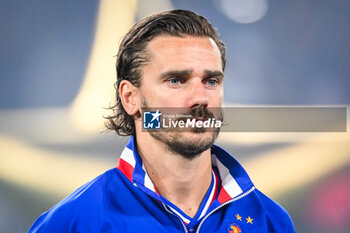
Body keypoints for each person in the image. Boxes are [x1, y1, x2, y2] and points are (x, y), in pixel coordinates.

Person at [28, 10, 295, 233]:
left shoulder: (271, 221)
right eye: (176, 81)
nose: (200, 98)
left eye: (211, 81)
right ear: (130, 98)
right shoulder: (74, 223)